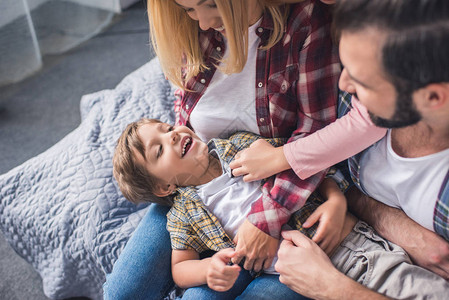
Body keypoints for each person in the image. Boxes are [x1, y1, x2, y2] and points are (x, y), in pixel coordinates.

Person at [104, 1, 346, 298]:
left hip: (280, 195)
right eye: (189, 9)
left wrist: (268, 218)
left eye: (209, 4)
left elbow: (316, 135)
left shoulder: (302, 22)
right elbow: (184, 115)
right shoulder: (182, 207)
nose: (202, 22)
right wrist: (208, 268)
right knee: (121, 294)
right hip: (194, 187)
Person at [272, 0, 449, 299]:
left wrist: (333, 289)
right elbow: (333, 169)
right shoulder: (365, 93)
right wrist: (390, 221)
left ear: (433, 97)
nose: (343, 83)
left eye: (361, 81)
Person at [112, 118, 347, 299]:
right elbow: (180, 268)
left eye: (168, 128)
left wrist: (335, 197)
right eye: (159, 150)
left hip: (328, 232)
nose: (172, 136)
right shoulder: (182, 215)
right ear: (164, 187)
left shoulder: (239, 146)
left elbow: (301, 163)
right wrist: (208, 268)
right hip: (282, 275)